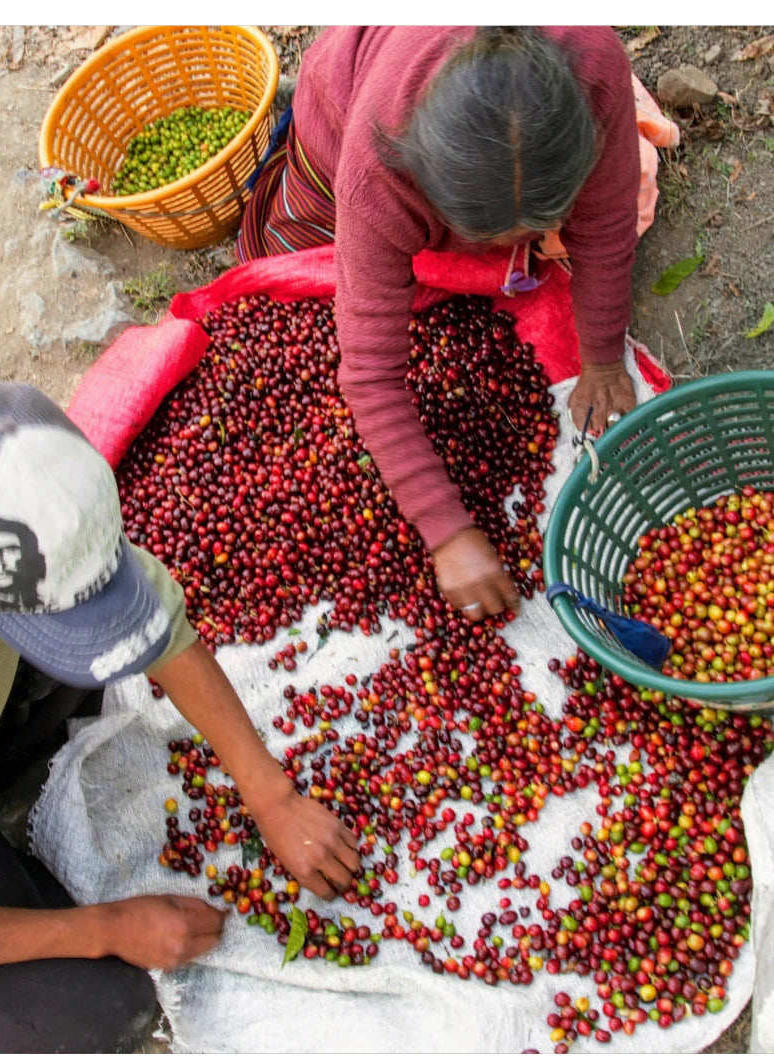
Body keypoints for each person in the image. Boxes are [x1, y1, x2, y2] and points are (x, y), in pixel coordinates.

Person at [0, 382, 362, 1053]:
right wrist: (108, 927)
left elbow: (154, 621)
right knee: (102, 1014)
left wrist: (271, 793)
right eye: (40, 623)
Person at [236, 26, 678, 626]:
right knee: (300, 259)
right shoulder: (378, 164)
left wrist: (601, 358)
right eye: (491, 235)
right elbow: (369, 373)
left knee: (613, 201)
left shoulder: (594, 70)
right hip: (345, 95)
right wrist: (444, 529)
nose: (518, 245)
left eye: (537, 225)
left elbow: (603, 226)